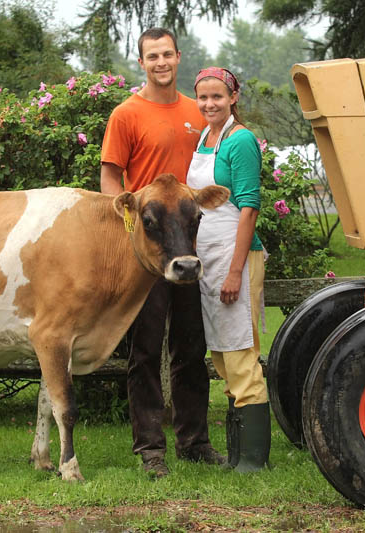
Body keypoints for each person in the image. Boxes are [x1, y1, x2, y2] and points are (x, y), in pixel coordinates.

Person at [100, 28, 226, 478]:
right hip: (150, 250)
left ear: (178, 57)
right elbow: (110, 180)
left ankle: (194, 443)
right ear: (141, 62)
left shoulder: (198, 112)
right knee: (145, 350)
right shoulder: (126, 114)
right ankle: (150, 449)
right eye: (152, 56)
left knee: (192, 347)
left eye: (167, 54)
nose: (161, 62)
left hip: (188, 244)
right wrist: (131, 226)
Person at [186, 67, 270, 472]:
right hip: (210, 259)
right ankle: (237, 455)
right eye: (203, 98)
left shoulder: (241, 142)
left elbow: (249, 207)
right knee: (221, 356)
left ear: (233, 97)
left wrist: (236, 271)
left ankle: (253, 460)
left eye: (217, 97)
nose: (209, 104)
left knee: (240, 353)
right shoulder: (206, 137)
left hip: (235, 257)